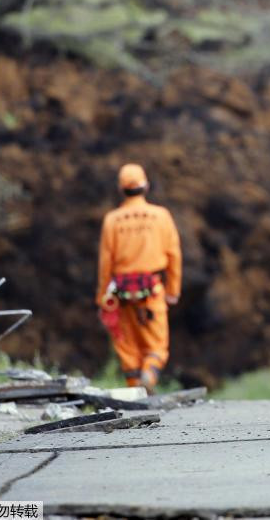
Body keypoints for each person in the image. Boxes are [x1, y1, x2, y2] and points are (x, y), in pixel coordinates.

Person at [96, 163, 182, 394]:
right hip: (151, 289)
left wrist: (103, 297)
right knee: (156, 344)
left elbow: (106, 263)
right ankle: (149, 374)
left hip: (121, 292)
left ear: (120, 189)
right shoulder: (160, 216)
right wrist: (173, 290)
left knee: (128, 346)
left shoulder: (112, 220)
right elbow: (174, 255)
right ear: (146, 186)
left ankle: (135, 391)